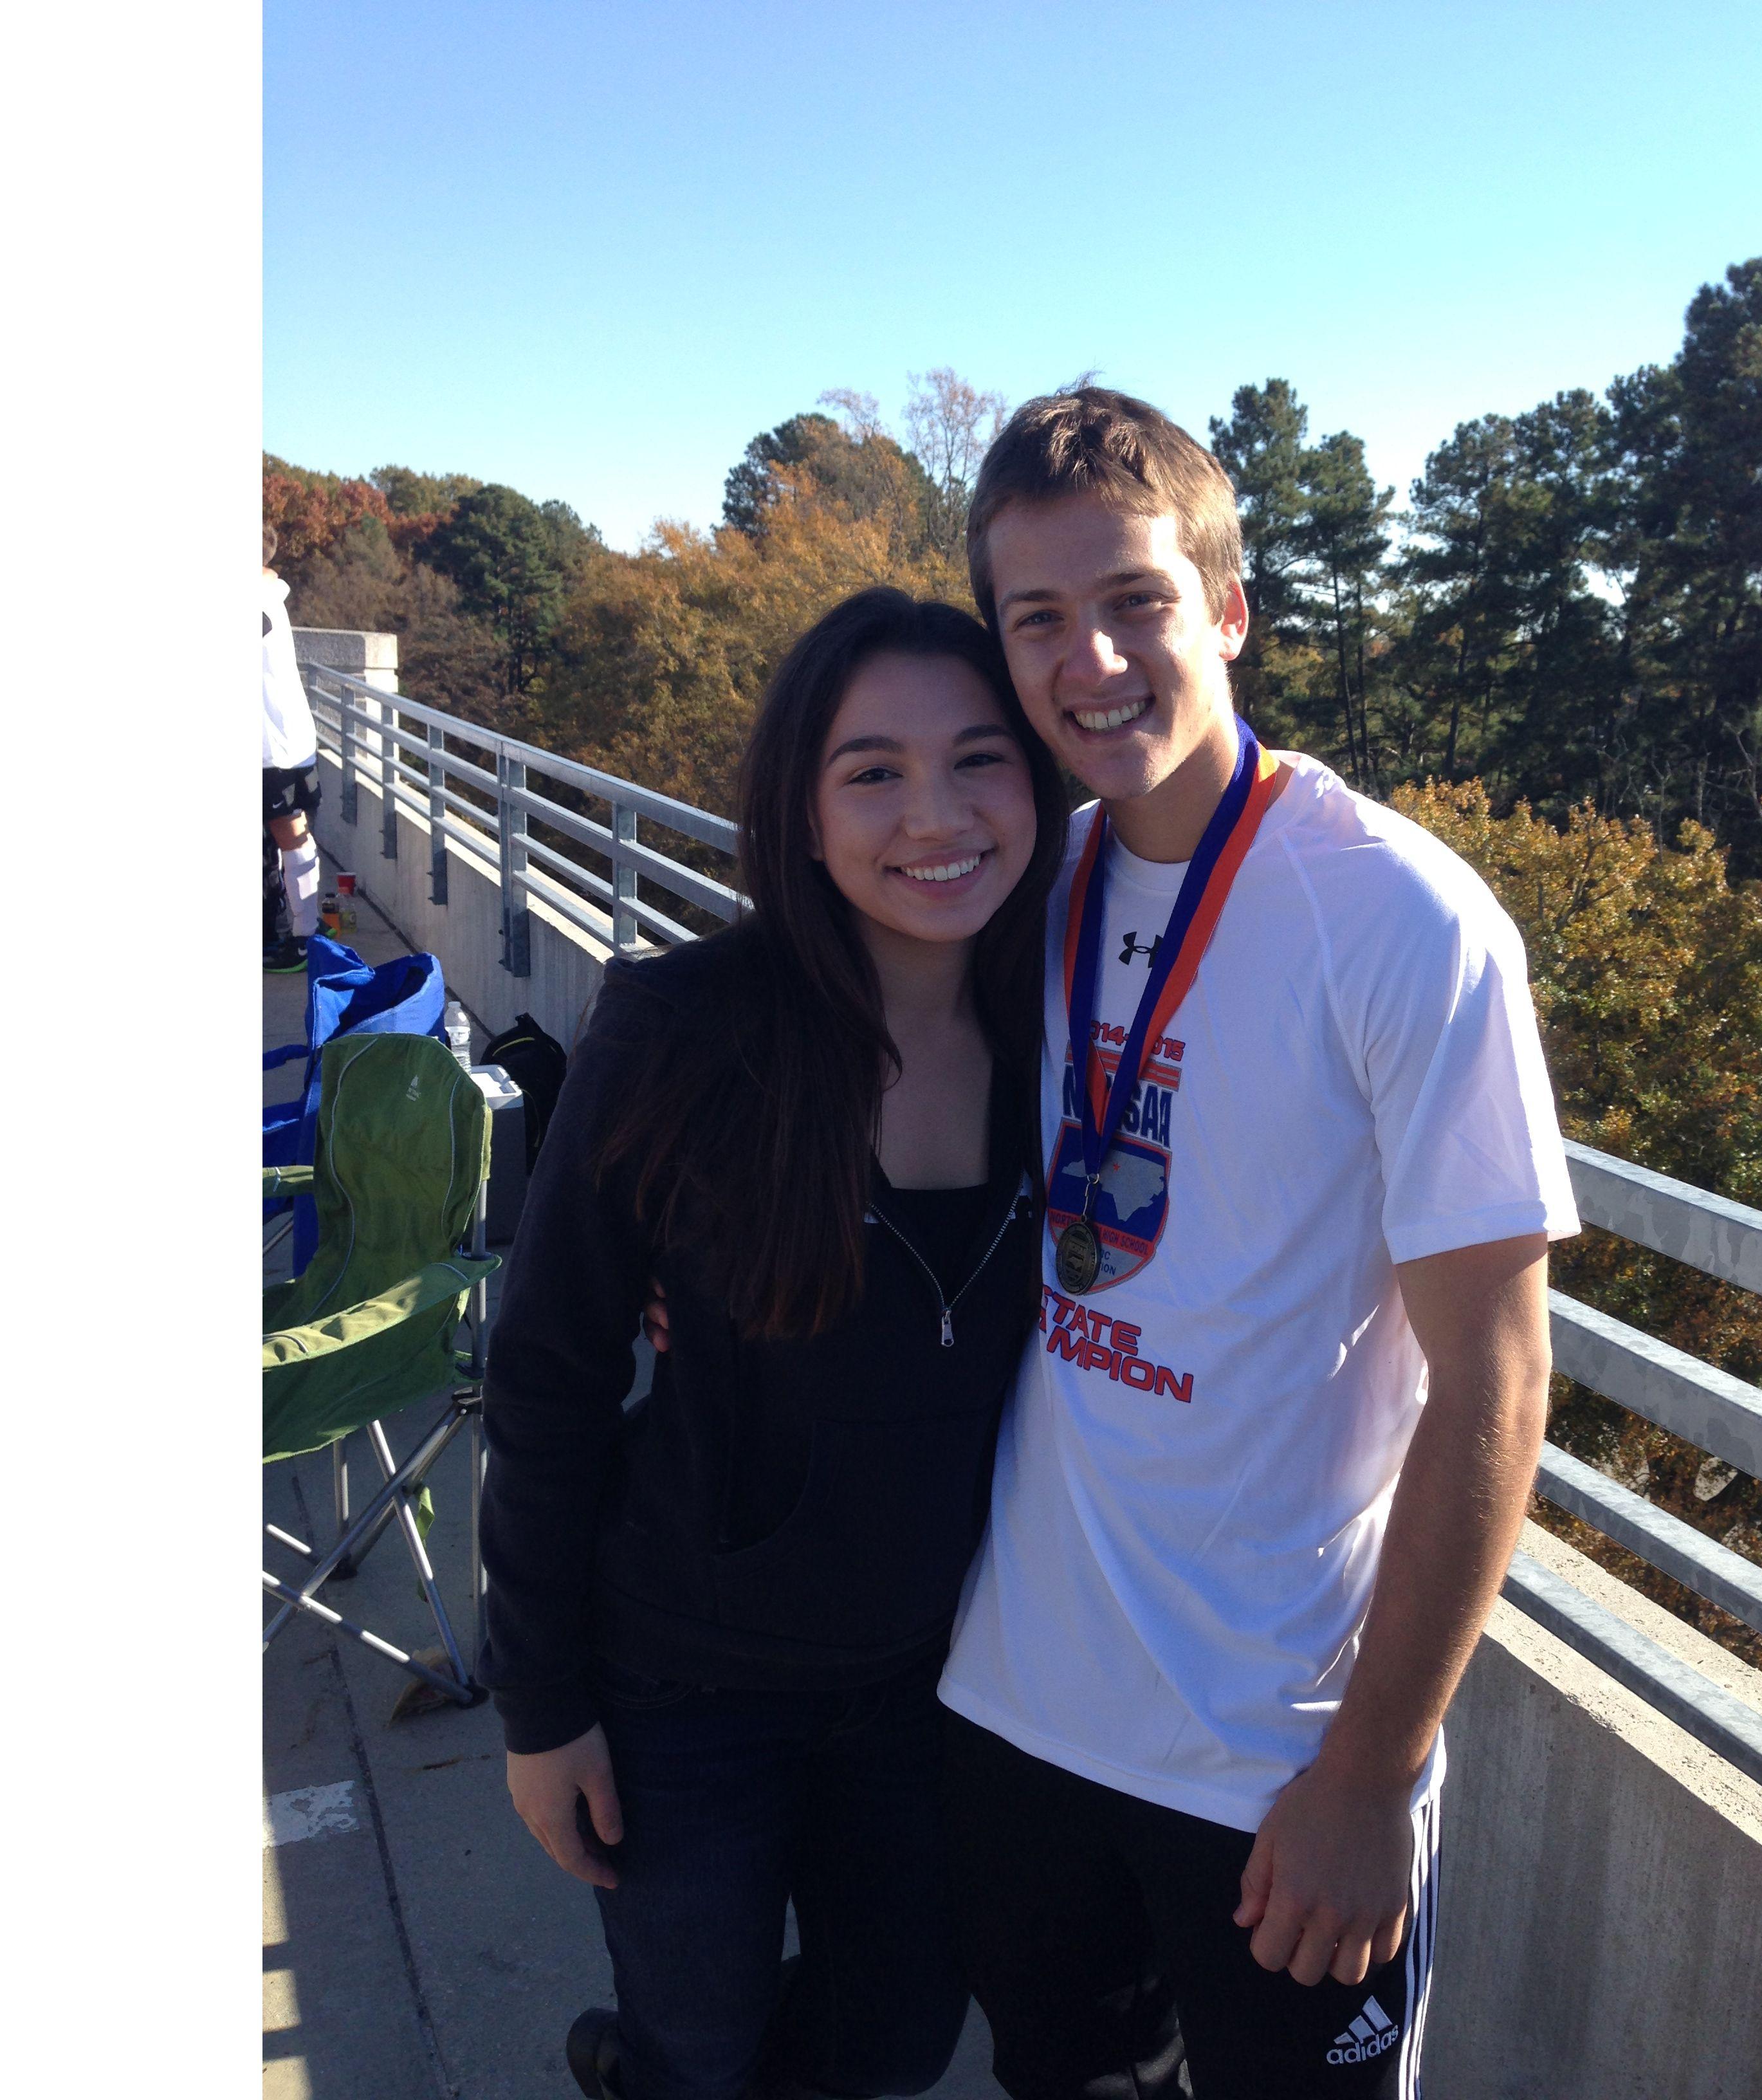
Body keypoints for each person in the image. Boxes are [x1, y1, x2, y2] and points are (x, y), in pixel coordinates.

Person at [926, 389, 1583, 2098]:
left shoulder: (1402, 918)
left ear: (1226, 607)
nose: (1093, 660)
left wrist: (1373, 1778)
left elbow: (1499, 1384)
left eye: (1134, 599)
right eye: (1040, 621)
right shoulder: (1025, 879)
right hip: (1013, 1709)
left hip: (1273, 1767)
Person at [475, 589, 1069, 2100]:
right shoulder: (682, 1030)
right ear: (801, 813)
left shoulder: (1067, 1034)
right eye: (872, 770)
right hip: (685, 1681)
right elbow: (544, 1373)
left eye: (978, 760)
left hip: (930, 1683)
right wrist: (542, 1710)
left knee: (899, 2033)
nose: (932, 814)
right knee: (700, 2032)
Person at [262, 524, 324, 972]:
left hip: (270, 747)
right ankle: (302, 933)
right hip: (290, 742)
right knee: (290, 837)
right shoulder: (271, 594)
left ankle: (303, 939)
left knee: (289, 835)